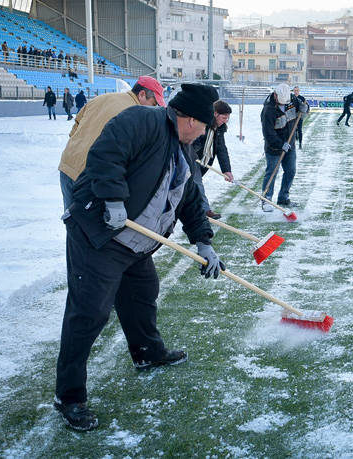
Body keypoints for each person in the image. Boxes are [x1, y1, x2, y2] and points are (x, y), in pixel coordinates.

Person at [54, 83, 221, 431]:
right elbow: (105, 155)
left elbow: (187, 197)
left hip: (135, 241)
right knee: (90, 312)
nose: (204, 133)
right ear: (189, 119)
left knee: (143, 292)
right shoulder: (141, 121)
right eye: (204, 126)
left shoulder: (182, 147)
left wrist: (203, 241)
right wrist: (113, 199)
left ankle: (147, 352)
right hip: (99, 234)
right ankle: (68, 396)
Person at [58, 75, 166, 210]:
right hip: (90, 174)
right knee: (89, 226)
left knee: (71, 220)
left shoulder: (102, 98)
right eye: (154, 103)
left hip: (67, 166)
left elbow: (75, 128)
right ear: (142, 94)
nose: (154, 108)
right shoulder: (135, 114)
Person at [261, 83, 307, 210]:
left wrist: (305, 108)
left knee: (290, 171)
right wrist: (281, 145)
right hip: (274, 148)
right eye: (280, 102)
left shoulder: (292, 100)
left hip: (290, 145)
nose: (282, 105)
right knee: (272, 172)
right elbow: (268, 133)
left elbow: (303, 108)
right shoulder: (268, 110)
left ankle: (283, 198)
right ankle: (266, 199)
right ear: (275, 95)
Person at [188, 100, 234, 219]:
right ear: (215, 114)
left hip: (203, 161)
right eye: (223, 117)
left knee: (189, 187)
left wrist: (226, 170)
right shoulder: (202, 123)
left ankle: (193, 209)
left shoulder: (219, 129)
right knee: (197, 184)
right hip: (191, 158)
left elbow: (221, 149)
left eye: (227, 118)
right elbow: (191, 141)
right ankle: (205, 210)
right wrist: (191, 154)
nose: (225, 121)